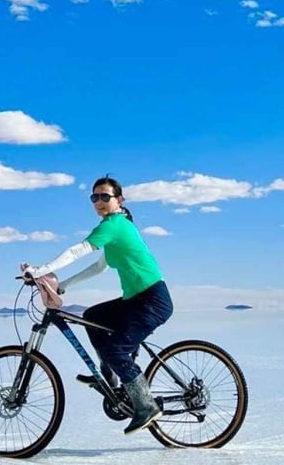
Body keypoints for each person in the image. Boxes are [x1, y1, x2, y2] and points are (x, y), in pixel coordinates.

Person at [21, 175, 173, 434]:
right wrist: (63, 285)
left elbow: (77, 251)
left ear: (119, 200)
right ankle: (109, 377)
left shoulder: (115, 225)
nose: (99, 201)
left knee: (117, 351)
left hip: (152, 301)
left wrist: (40, 270)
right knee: (93, 316)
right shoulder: (114, 228)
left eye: (105, 196)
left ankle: (146, 406)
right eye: (95, 197)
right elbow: (99, 267)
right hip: (136, 300)